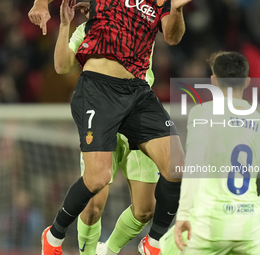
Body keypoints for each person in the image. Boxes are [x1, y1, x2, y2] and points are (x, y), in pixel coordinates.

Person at [29, 0, 190, 255]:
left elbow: (172, 37)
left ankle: (154, 243)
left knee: (176, 168)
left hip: (138, 91)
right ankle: (54, 235)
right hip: (98, 89)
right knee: (98, 179)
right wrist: (40, 4)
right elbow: (61, 66)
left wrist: (178, 9)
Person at [54, 2, 159, 254]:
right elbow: (61, 66)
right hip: (102, 116)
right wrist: (64, 25)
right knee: (92, 208)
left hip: (139, 114)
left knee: (145, 210)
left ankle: (108, 251)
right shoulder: (86, 31)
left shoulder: (142, 20)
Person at [159, 51, 260, 255]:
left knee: (160, 250)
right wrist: (259, 206)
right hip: (249, 229)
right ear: (247, 81)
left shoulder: (203, 113)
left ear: (214, 81)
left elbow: (194, 166)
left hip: (208, 226)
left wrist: (184, 214)